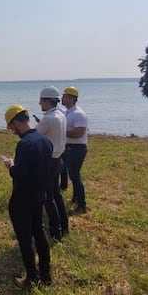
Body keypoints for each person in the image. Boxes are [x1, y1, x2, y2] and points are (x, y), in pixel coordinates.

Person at [1, 105, 52, 288]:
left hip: (23, 197)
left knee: (24, 238)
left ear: (16, 122)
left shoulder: (24, 144)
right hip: (40, 194)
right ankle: (46, 274)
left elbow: (19, 174)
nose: (12, 131)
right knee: (39, 232)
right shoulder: (45, 141)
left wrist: (11, 166)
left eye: (11, 127)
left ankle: (31, 277)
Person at [36, 86, 69, 240]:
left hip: (49, 161)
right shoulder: (61, 115)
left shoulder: (48, 119)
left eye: (41, 100)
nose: (39, 103)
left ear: (47, 101)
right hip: (58, 159)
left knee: (48, 198)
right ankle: (64, 226)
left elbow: (33, 136)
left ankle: (56, 231)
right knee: (56, 194)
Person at [62, 85, 88, 215]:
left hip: (77, 148)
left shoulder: (78, 114)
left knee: (75, 176)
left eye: (65, 97)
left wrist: (62, 133)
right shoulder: (68, 112)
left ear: (72, 98)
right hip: (69, 147)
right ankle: (75, 198)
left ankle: (82, 205)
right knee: (72, 175)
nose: (63, 98)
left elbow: (79, 133)